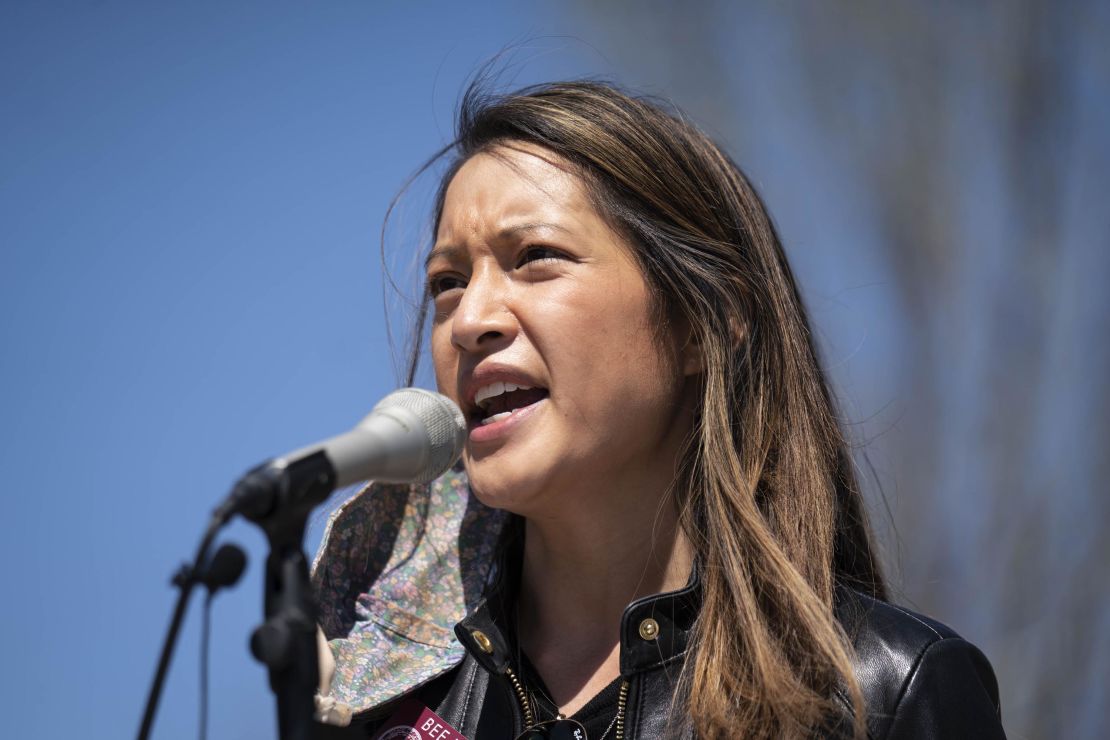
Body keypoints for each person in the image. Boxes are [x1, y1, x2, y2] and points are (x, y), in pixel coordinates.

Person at [311, 80, 1006, 739]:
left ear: (703, 326)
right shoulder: (373, 697)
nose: (470, 319)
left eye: (535, 257)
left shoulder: (880, 692)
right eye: (448, 282)